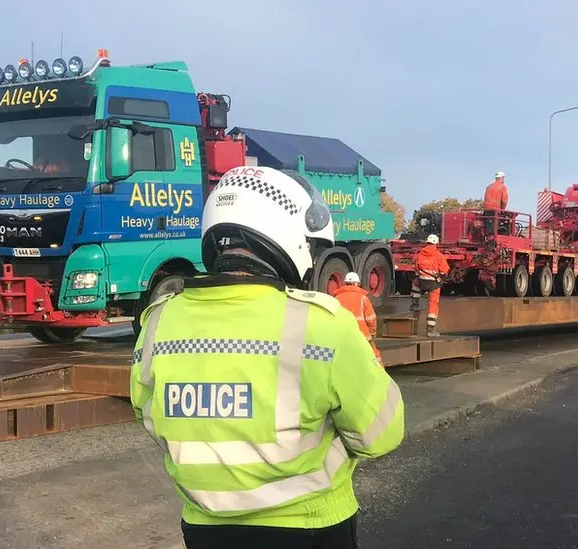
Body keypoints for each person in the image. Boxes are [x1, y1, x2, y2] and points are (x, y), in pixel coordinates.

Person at [129, 166, 405, 549]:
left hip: (204, 529)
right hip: (309, 526)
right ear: (288, 232)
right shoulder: (322, 325)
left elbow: (150, 416)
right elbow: (382, 434)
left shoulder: (159, 321)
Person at [332, 271, 383, 366]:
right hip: (362, 335)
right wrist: (372, 333)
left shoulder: (337, 298)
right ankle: (380, 373)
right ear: (357, 283)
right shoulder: (363, 298)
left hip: (343, 335)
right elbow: (371, 318)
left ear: (345, 283)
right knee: (373, 354)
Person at [409, 234, 450, 337]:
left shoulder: (420, 255)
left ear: (427, 242)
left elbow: (416, 269)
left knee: (415, 283)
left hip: (422, 281)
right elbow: (444, 271)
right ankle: (430, 330)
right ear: (436, 243)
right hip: (434, 284)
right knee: (433, 305)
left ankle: (415, 303)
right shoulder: (439, 256)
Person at [482, 171, 509, 235]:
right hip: (495, 211)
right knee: (497, 227)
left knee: (488, 227)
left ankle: (487, 236)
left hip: (486, 211)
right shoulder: (502, 187)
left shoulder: (489, 187)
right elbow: (504, 201)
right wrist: (503, 210)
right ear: (501, 178)